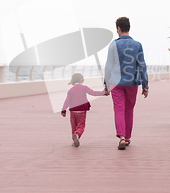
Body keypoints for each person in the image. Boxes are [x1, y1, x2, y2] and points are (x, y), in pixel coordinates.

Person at [104, 17, 149, 150]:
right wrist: (145, 84)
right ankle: (127, 138)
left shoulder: (113, 45)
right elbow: (142, 66)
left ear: (118, 28)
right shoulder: (137, 45)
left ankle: (121, 137)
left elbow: (108, 66)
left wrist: (106, 84)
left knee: (119, 109)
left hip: (116, 83)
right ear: (129, 28)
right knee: (129, 110)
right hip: (132, 83)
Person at [61, 73, 108, 147]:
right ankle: (77, 135)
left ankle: (74, 140)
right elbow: (93, 93)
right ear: (82, 80)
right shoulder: (84, 88)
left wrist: (63, 110)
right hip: (82, 111)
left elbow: (67, 101)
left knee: (74, 126)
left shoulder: (70, 90)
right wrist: (103, 92)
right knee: (81, 126)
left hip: (73, 111)